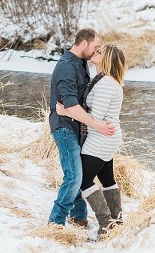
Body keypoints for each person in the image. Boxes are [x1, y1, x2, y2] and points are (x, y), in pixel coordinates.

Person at [57, 43, 126, 238]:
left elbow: (96, 115)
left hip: (101, 137)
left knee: (84, 180)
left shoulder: (106, 83)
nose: (96, 52)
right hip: (107, 136)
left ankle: (105, 225)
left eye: (100, 52)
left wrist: (66, 110)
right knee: (107, 178)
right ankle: (117, 221)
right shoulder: (106, 80)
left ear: (107, 59)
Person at [48, 28, 115, 228]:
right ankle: (55, 222)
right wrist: (96, 125)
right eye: (95, 47)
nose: (96, 51)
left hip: (78, 127)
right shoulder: (67, 66)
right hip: (65, 127)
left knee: (78, 173)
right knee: (75, 176)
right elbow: (69, 104)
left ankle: (78, 217)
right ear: (83, 43)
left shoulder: (81, 64)